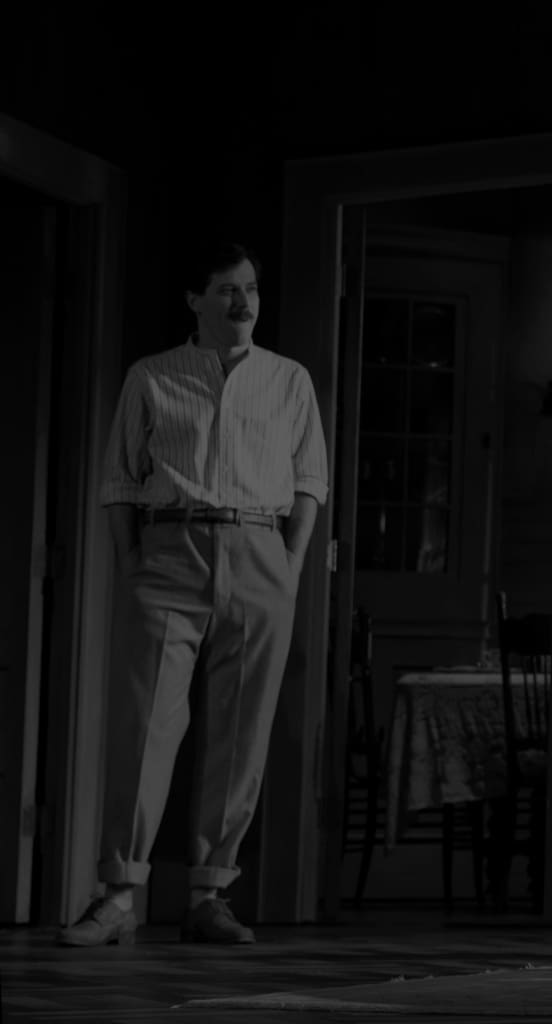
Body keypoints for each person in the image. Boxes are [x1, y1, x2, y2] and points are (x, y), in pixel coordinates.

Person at [58, 241, 328, 947]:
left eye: (251, 290)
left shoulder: (289, 379)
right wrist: (132, 567)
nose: (243, 303)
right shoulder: (152, 376)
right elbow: (119, 481)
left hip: (261, 548)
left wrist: (291, 564)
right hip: (171, 549)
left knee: (242, 733)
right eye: (227, 291)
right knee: (145, 725)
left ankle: (210, 895)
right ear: (195, 301)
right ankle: (117, 896)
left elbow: (310, 481)